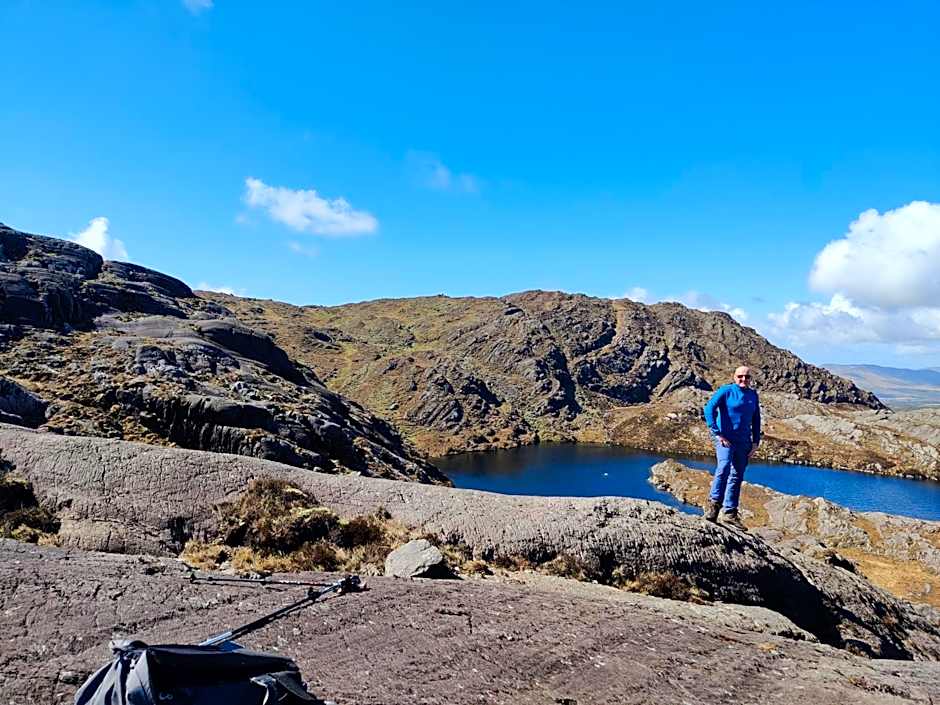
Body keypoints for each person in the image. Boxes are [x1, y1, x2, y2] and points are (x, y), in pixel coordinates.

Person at [702, 365, 761, 530]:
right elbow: (709, 409)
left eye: (747, 377)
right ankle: (713, 506)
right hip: (725, 440)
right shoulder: (726, 391)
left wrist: (755, 442)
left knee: (737, 476)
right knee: (724, 467)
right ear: (734, 377)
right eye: (740, 376)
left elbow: (756, 419)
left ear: (750, 379)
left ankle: (730, 513)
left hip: (744, 442)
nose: (743, 379)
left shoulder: (753, 395)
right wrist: (717, 432)